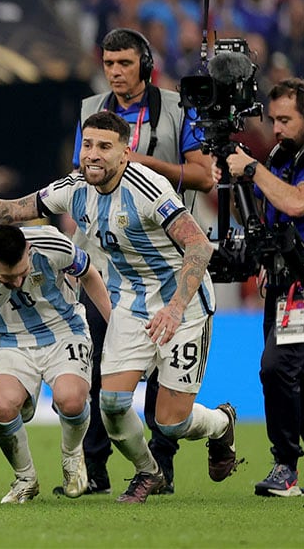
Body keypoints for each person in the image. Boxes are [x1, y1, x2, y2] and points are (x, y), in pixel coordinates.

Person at [0, 111, 237, 504]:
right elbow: (13, 211)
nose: (92, 154)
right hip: (131, 301)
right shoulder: (74, 188)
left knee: (171, 422)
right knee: (111, 405)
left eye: (104, 147)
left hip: (184, 305)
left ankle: (220, 424)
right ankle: (149, 473)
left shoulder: (149, 189)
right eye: (87, 145)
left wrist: (176, 308)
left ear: (125, 153)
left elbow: (198, 245)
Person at [74, 28, 216, 493]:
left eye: (125, 64)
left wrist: (143, 167)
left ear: (146, 65)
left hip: (165, 255)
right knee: (98, 367)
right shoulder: (91, 108)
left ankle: (163, 467)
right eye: (109, 64)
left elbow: (202, 176)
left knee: (162, 386)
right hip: (105, 262)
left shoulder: (177, 107)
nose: (114, 73)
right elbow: (81, 174)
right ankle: (96, 469)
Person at [0, 224, 111, 503]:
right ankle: (26, 479)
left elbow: (88, 273)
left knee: (71, 399)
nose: (17, 283)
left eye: (22, 273)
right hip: (7, 341)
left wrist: (111, 325)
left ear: (29, 252)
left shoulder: (52, 242)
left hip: (64, 330)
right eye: (8, 279)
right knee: (4, 408)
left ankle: (72, 458)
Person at [218, 78, 304, 497]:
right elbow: (264, 214)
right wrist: (237, 182)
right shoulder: (279, 155)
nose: (278, 128)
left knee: (278, 368)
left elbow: (296, 203)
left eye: (286, 119)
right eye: (273, 119)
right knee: (288, 373)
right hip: (284, 282)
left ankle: (286, 466)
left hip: (301, 286)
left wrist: (252, 169)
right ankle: (287, 465)